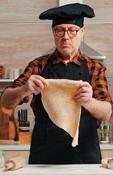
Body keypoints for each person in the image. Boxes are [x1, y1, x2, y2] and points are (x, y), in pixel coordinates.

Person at [1, 3, 112, 164]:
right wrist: (25, 89)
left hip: (85, 159)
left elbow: (107, 113)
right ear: (53, 33)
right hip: (44, 159)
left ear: (82, 32)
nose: (65, 36)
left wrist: (89, 101)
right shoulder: (38, 66)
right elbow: (5, 102)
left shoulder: (94, 67)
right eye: (59, 30)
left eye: (72, 30)